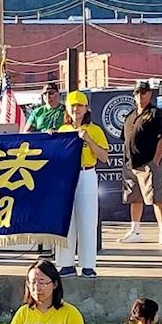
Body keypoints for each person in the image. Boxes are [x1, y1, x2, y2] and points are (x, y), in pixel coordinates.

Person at [57, 90, 109, 278]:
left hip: (86, 174)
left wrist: (88, 140)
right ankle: (66, 264)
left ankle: (88, 264)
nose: (76, 109)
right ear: (67, 109)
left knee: (87, 220)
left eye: (80, 105)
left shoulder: (94, 130)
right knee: (65, 220)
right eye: (73, 106)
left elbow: (104, 156)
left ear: (87, 108)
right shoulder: (62, 131)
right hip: (65, 177)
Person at [119, 80, 162, 245]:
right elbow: (125, 138)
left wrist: (155, 161)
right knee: (134, 198)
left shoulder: (156, 114)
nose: (140, 96)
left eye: (143, 93)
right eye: (137, 93)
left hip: (149, 163)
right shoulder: (130, 115)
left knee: (156, 198)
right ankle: (134, 231)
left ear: (149, 94)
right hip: (131, 164)